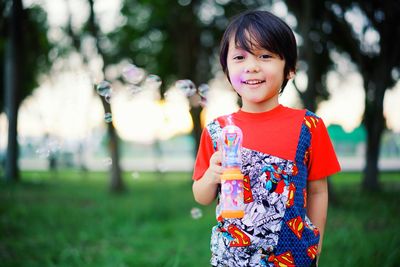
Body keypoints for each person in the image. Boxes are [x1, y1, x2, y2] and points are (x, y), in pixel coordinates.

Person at [192, 10, 341, 267]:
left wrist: (315, 248)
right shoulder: (218, 131)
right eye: (240, 57)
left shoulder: (309, 126)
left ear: (290, 69)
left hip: (293, 256)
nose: (252, 66)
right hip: (231, 258)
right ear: (227, 69)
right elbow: (201, 196)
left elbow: (318, 192)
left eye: (265, 55)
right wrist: (210, 177)